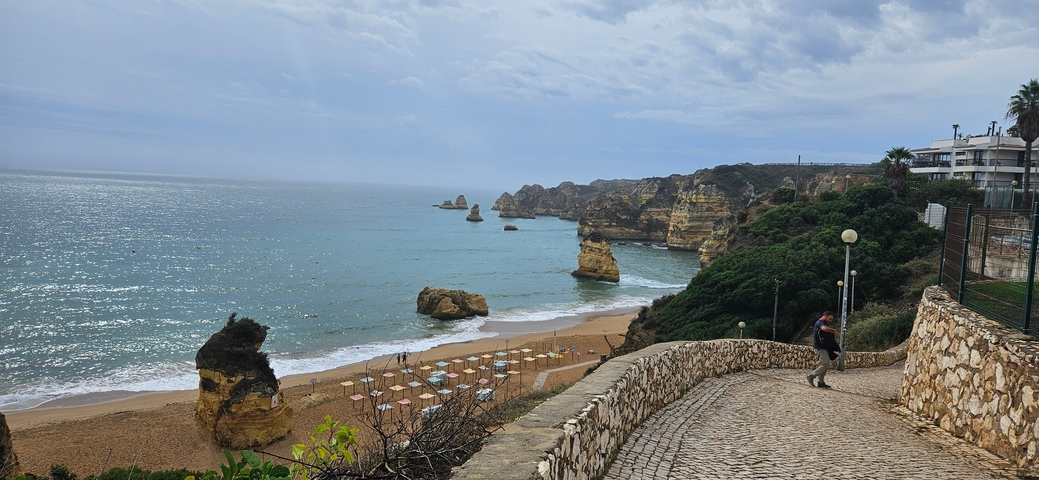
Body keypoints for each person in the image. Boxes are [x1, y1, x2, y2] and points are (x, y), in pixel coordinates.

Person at [807, 311, 838, 389]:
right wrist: (833, 330)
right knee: (826, 364)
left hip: (822, 347)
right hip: (820, 347)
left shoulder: (820, 322)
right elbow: (823, 328)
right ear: (825, 316)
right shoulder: (820, 323)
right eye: (829, 318)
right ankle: (811, 376)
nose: (830, 321)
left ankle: (821, 382)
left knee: (825, 364)